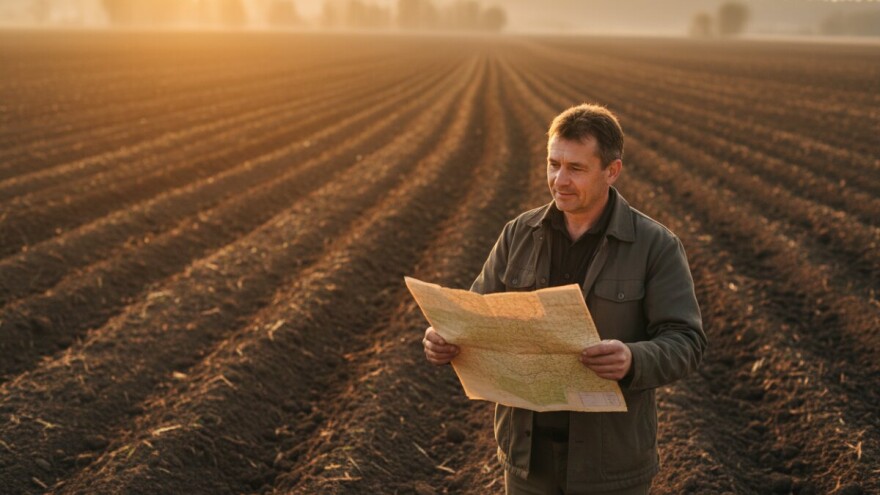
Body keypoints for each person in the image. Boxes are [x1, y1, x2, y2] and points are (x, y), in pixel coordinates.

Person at [422, 103, 707, 494]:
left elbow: (686, 342)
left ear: (612, 171)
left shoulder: (655, 246)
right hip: (527, 459)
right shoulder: (518, 233)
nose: (560, 180)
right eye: (553, 164)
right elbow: (475, 314)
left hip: (610, 465)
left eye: (576, 168)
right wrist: (444, 338)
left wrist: (632, 358)